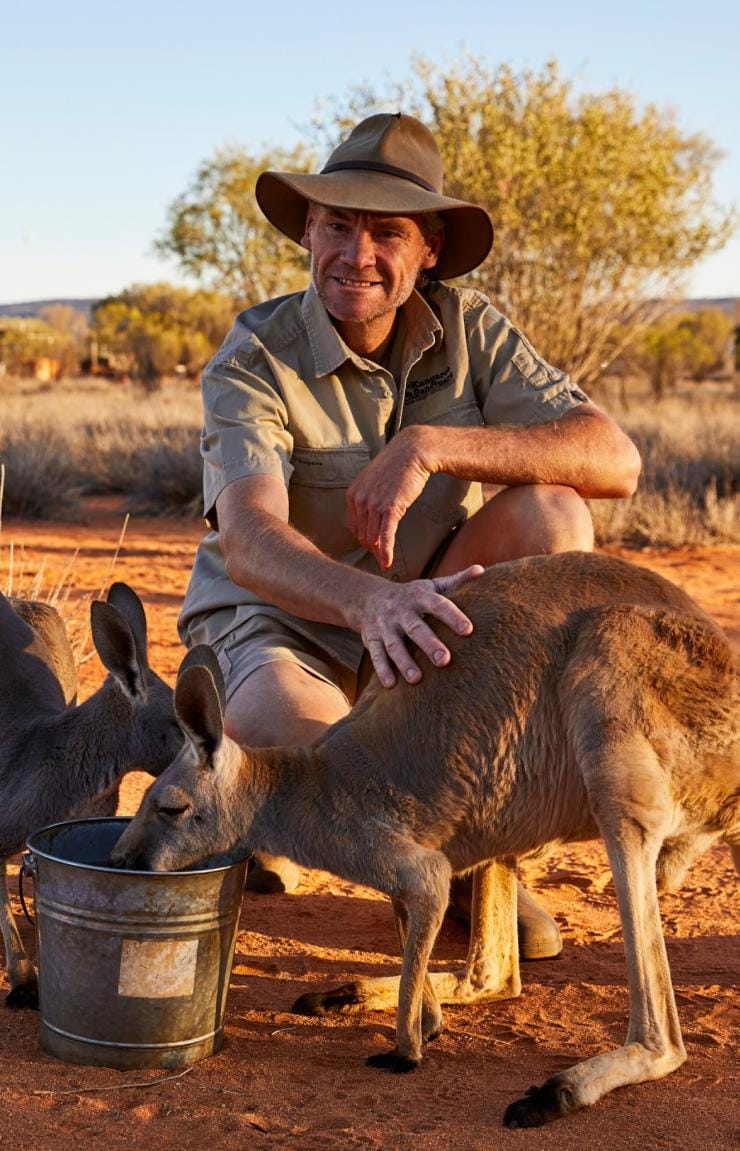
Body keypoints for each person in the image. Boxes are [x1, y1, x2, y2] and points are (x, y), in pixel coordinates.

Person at [178, 112, 641, 958]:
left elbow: (614, 458)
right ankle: (252, 807)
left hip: (419, 612)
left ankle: (468, 860)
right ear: (308, 232)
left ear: (429, 247)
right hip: (276, 626)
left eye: (386, 232)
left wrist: (429, 445)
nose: (357, 254)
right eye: (337, 225)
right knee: (316, 749)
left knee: (556, 514)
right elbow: (247, 538)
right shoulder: (254, 355)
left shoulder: (473, 331)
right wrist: (373, 604)